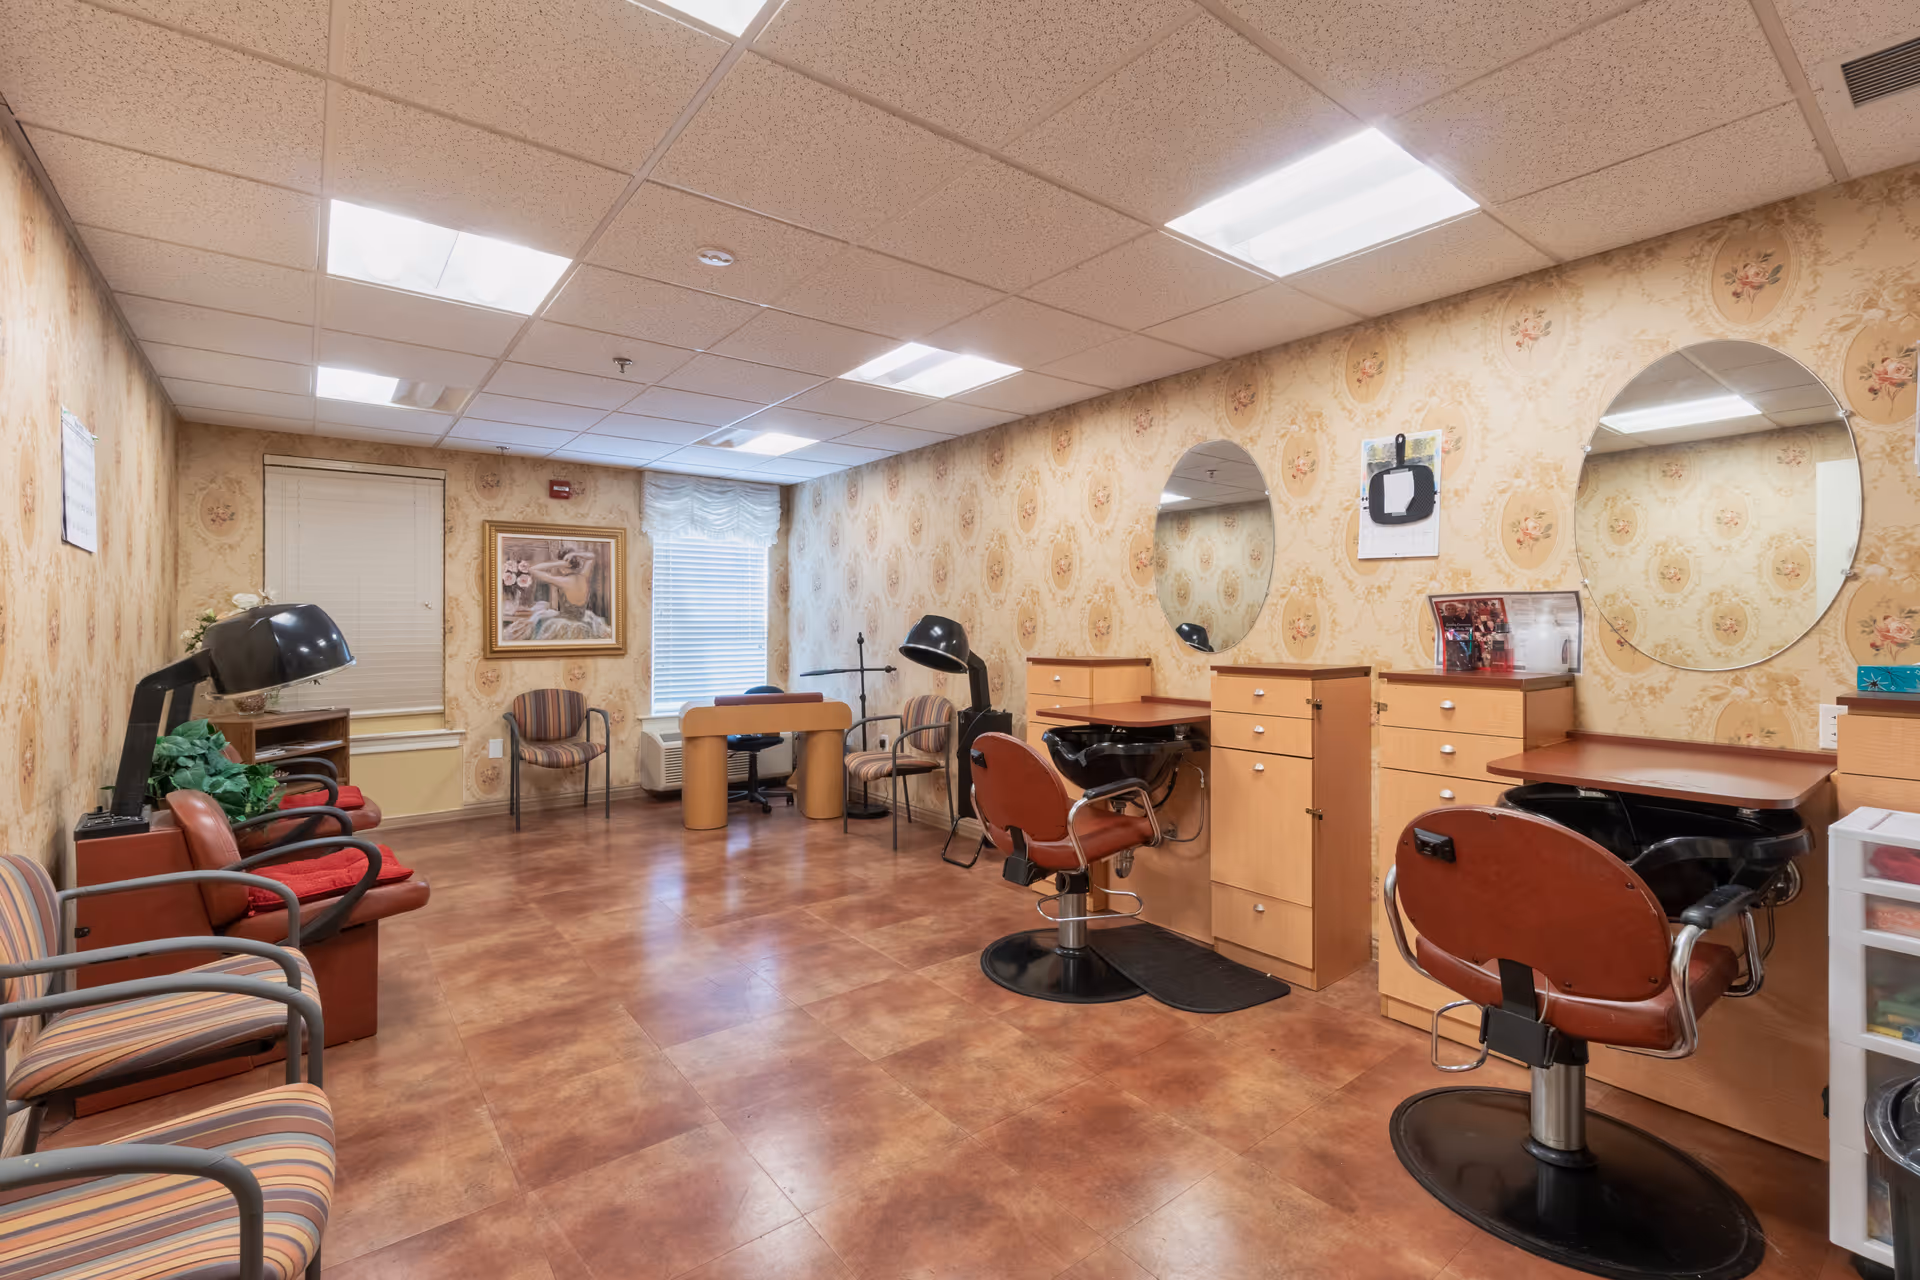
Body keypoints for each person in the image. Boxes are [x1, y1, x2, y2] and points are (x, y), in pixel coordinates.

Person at [501, 546, 613, 642]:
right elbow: (591, 556)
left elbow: (533, 570)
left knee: (535, 622)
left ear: (564, 565)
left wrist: (559, 563)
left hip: (566, 622)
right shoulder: (584, 576)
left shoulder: (563, 581)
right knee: (539, 616)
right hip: (582, 619)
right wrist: (576, 554)